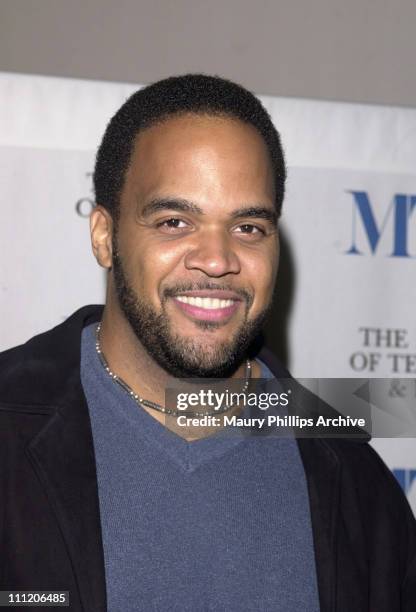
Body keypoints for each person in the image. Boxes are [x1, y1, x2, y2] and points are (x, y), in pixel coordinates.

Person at [1, 74, 415, 612]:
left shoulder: (349, 469)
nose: (217, 260)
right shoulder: (10, 425)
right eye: (175, 221)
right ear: (105, 236)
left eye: (248, 227)